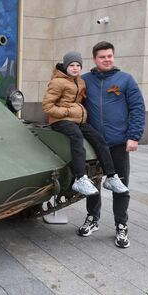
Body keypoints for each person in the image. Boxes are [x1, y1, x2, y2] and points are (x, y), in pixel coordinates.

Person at [80, 42, 145, 248]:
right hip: (93, 145)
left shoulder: (125, 80)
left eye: (110, 56)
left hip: (118, 143)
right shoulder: (84, 81)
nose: (107, 59)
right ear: (94, 59)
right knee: (93, 184)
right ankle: (93, 218)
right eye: (102, 57)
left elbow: (137, 108)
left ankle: (121, 225)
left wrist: (134, 136)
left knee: (120, 185)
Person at [42, 51, 130, 199]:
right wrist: (67, 112)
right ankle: (80, 178)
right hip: (60, 121)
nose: (75, 68)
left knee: (99, 139)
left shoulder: (80, 81)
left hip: (77, 120)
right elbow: (47, 106)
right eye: (72, 65)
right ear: (65, 66)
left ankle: (111, 176)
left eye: (78, 65)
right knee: (77, 138)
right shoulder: (57, 82)